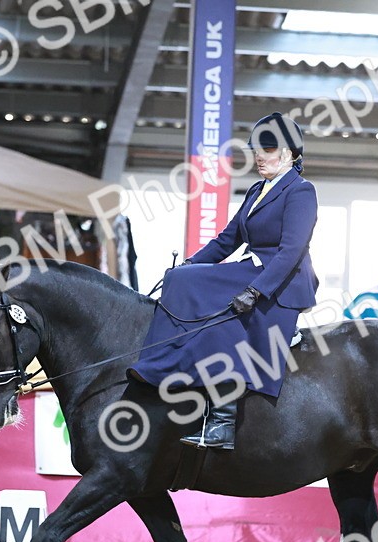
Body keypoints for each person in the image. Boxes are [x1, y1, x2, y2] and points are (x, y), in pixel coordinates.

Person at [128, 112, 319, 450]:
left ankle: (223, 420)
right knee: (182, 280)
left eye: (267, 150)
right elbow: (227, 240)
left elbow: (291, 251)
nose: (259, 157)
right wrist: (188, 265)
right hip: (252, 269)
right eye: (256, 150)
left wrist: (255, 291)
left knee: (223, 318)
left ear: (289, 154)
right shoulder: (257, 190)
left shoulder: (301, 191)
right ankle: (158, 366)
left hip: (281, 282)